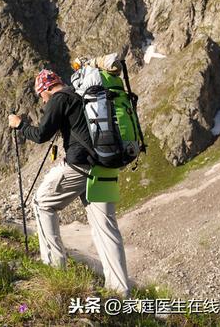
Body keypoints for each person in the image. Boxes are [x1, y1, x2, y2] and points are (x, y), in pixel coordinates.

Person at [8, 69, 131, 297]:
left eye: (40, 94)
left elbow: (41, 134)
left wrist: (19, 125)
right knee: (106, 228)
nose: (42, 99)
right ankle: (120, 291)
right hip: (105, 164)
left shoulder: (59, 98)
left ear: (45, 88)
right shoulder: (81, 96)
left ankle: (55, 271)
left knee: (41, 203)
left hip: (79, 166)